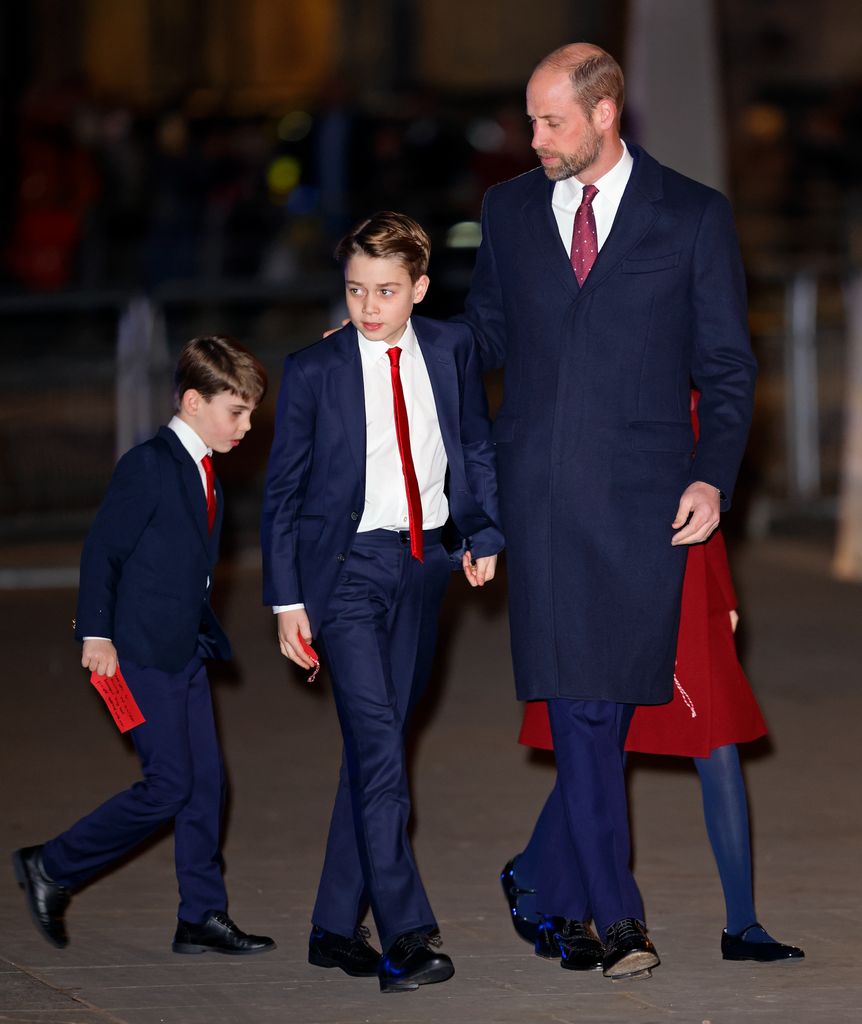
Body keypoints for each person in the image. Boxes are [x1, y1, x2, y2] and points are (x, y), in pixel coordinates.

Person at [459, 43, 758, 980]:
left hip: (644, 503)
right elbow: (485, 339)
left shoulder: (693, 216)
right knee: (582, 706)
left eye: (551, 121)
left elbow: (728, 369)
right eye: (531, 119)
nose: (533, 138)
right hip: (539, 495)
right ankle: (615, 918)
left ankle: (550, 886)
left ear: (603, 115)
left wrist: (712, 476)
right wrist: (398, 332)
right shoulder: (507, 211)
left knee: (616, 703)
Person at [260, 211, 504, 993]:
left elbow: (471, 442)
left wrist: (483, 529)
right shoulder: (314, 370)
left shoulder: (452, 347)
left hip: (427, 567)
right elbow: (283, 495)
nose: (369, 307)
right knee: (379, 752)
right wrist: (287, 600)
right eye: (357, 290)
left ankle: (334, 926)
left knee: (379, 750)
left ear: (420, 289)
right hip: (349, 576)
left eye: (387, 292)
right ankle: (407, 934)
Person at [502, 400, 803, 967]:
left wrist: (725, 598)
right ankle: (532, 871)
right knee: (603, 747)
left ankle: (742, 923)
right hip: (613, 580)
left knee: (716, 747)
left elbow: (708, 505)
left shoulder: (695, 401)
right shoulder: (611, 384)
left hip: (686, 586)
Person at [12, 336, 274, 956]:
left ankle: (200, 917)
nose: (245, 425)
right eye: (235, 412)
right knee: (169, 786)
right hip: (135, 656)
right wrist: (95, 634)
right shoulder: (150, 464)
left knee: (206, 783)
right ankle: (52, 865)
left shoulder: (201, 465)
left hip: (183, 651)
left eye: (250, 414)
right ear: (192, 401)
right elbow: (103, 551)